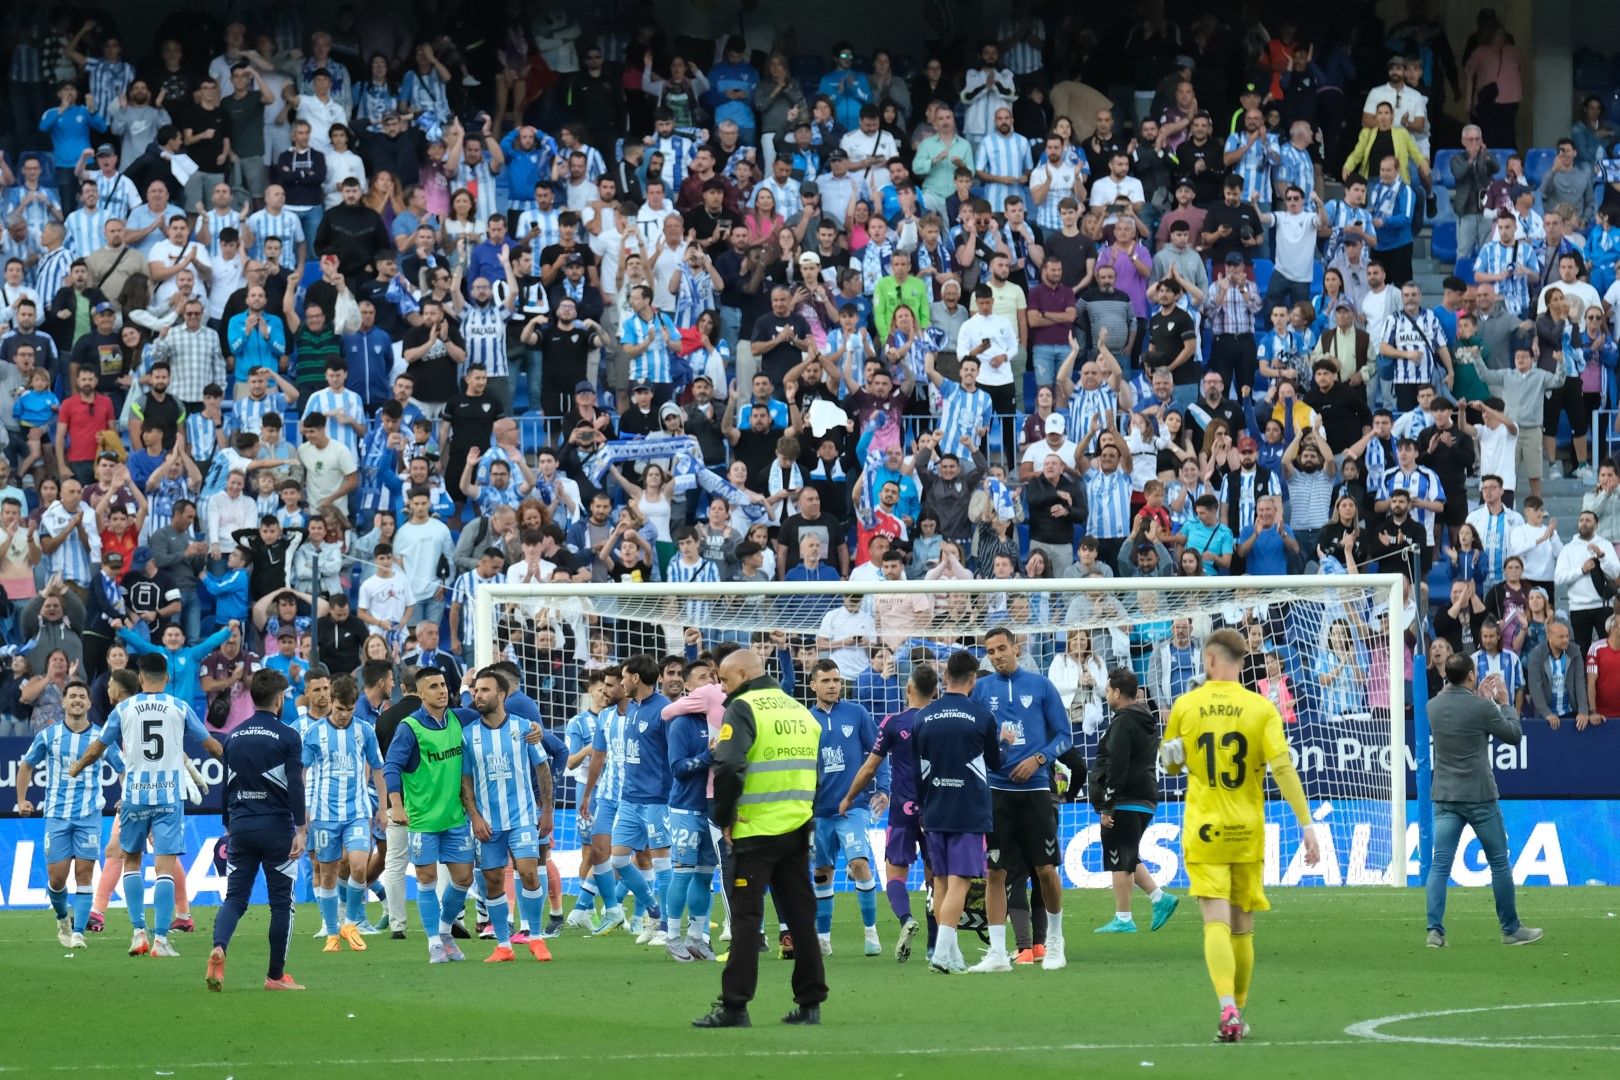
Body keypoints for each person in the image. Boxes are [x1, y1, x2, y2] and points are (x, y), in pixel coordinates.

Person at [1159, 628, 1319, 1042]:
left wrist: (1179, 740)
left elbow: (1170, 765)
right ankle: (1239, 1013)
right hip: (1246, 829)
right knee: (1243, 926)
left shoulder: (1186, 705)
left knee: (1215, 920)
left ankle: (1226, 1007)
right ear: (1241, 662)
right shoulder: (1261, 707)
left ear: (1210, 660)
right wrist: (1306, 825)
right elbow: (1283, 768)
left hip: (1204, 828)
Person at [694, 648, 825, 1028]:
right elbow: (816, 774)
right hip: (797, 828)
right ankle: (810, 1003)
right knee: (802, 917)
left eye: (724, 678)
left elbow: (730, 765)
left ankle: (735, 1006)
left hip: (754, 831)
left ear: (743, 674)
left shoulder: (744, 707)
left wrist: (724, 817)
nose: (721, 686)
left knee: (748, 919)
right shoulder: (799, 710)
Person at [68, 652, 224, 960]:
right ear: (166, 678)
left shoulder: (124, 709)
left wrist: (77, 766)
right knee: (164, 866)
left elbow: (98, 747)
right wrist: (235, 760)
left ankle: (138, 933)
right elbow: (210, 745)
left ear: (140, 679)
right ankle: (161, 940)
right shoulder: (179, 707)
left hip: (135, 797)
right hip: (168, 797)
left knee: (132, 863)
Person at [967, 626, 1071, 972]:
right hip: (996, 792)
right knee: (995, 871)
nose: (996, 656)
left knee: (1045, 870)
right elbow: (973, 738)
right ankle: (998, 953)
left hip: (1036, 792)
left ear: (1016, 647)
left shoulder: (1041, 686)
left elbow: (1064, 736)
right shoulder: (981, 690)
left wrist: (1039, 759)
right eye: (990, 651)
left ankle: (1055, 941)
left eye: (1001, 649)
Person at [1424, 651, 1541, 947]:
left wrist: (1477, 695)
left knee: (1440, 865)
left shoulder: (1432, 706)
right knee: (1499, 862)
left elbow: (1452, 696)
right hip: (1479, 796)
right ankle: (1510, 929)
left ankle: (1434, 931)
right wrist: (1501, 702)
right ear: (1472, 675)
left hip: (1445, 795)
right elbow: (1514, 735)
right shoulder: (1482, 708)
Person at [205, 668, 307, 991]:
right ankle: (275, 977)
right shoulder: (289, 736)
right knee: (281, 903)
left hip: (241, 826)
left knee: (234, 897)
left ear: (252, 697)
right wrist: (301, 828)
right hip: (276, 827)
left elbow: (226, 786)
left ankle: (219, 945)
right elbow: (294, 784)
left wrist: (228, 825)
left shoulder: (233, 736)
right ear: (279, 700)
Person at [913, 649, 1003, 975]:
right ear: (973, 680)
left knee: (939, 882)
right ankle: (941, 953)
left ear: (946, 677)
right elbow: (995, 764)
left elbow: (916, 769)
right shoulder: (982, 717)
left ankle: (949, 954)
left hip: (933, 809)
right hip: (968, 809)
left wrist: (923, 808)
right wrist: (1003, 741)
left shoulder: (922, 716)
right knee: (960, 883)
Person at [840, 661, 934, 963]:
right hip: (937, 809)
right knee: (937, 879)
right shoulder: (942, 719)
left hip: (902, 808)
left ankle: (906, 918)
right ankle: (935, 945)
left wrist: (850, 797)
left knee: (895, 872)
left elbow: (870, 767)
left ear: (909, 688)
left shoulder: (893, 723)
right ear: (936, 691)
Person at [17, 679, 122, 948]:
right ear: (63, 702)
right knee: (57, 878)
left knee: (85, 875)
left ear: (89, 703)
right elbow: (26, 765)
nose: (76, 700)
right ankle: (63, 917)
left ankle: (78, 933)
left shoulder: (102, 737)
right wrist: (22, 800)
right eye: (72, 695)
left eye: (81, 696)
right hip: (57, 815)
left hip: (89, 815)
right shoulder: (48, 736)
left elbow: (123, 769)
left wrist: (126, 796)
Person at [383, 665, 476, 963]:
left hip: (454, 817)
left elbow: (491, 715)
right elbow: (391, 767)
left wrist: (532, 727)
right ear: (419, 693)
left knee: (463, 879)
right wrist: (396, 806)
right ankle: (434, 942)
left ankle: (446, 931)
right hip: (422, 819)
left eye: (443, 685)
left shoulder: (458, 719)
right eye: (434, 686)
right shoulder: (410, 728)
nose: (441, 690)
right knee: (427, 879)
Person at [463, 666, 555, 963]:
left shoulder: (524, 727)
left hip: (523, 818)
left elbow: (542, 768)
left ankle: (537, 937)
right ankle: (503, 945)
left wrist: (548, 811)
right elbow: (465, 780)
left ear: (501, 695)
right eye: (476, 690)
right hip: (488, 822)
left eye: (485, 690)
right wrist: (474, 815)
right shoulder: (468, 734)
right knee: (491, 880)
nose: (478, 695)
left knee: (529, 871)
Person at [301, 673, 386, 954]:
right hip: (324, 814)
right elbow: (300, 770)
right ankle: (332, 932)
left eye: (349, 710)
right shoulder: (314, 733)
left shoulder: (365, 730)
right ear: (331, 703)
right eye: (339, 709)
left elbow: (378, 767)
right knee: (327, 874)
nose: (344, 716)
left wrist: (384, 807)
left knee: (359, 865)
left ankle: (350, 923)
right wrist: (303, 809)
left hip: (357, 812)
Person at [1091, 667, 1179, 934]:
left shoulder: (1123, 721)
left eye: (1107, 690)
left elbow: (1118, 764)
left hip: (1126, 798)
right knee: (1128, 854)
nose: (1106, 694)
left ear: (1117, 692)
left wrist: (1108, 804)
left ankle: (1124, 917)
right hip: (1142, 796)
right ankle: (1158, 898)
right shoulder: (1144, 719)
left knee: (1120, 856)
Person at [806, 659, 886, 957]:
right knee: (822, 872)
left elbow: (879, 752)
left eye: (836, 680)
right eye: (826, 681)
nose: (832, 685)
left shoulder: (857, 713)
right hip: (819, 812)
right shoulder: (805, 720)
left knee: (860, 864)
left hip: (853, 807)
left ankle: (871, 933)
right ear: (813, 684)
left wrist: (884, 787)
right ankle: (823, 938)